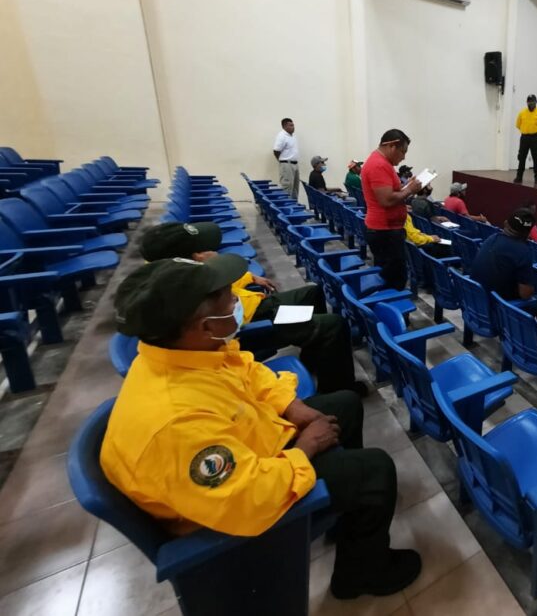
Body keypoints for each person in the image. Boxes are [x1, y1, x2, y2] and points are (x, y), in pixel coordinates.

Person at [102, 255, 421, 600]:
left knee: (344, 403)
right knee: (376, 470)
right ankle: (360, 575)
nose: (239, 300)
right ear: (205, 325)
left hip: (253, 441)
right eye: (230, 296)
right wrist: (306, 448)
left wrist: (292, 407)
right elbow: (246, 498)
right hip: (245, 500)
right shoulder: (174, 423)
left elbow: (248, 372)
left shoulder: (191, 352)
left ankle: (348, 514)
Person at [140, 222, 364, 396]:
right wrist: (209, 267)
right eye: (199, 249)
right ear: (190, 257)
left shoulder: (175, 269)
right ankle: (337, 388)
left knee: (312, 292)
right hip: (254, 325)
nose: (208, 250)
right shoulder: (180, 289)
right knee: (333, 325)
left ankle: (315, 355)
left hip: (255, 306)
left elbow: (228, 283)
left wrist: (248, 277)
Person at [362, 129, 422, 290]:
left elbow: (391, 191)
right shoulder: (379, 165)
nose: (404, 157)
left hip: (387, 230)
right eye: (402, 151)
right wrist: (410, 191)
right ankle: (393, 312)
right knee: (394, 281)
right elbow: (386, 199)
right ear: (392, 146)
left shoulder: (382, 163)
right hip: (385, 232)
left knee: (390, 276)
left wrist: (407, 186)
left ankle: (388, 310)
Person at [469, 207, 537, 301]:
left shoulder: (492, 238)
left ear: (506, 223)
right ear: (528, 234)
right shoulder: (523, 252)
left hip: (474, 299)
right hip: (497, 309)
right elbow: (525, 295)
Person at [514, 94, 537, 185]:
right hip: (524, 138)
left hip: (535, 138)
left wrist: (536, 131)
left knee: (536, 158)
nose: (531, 103)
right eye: (529, 102)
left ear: (536, 102)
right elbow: (518, 125)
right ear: (527, 102)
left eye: (532, 101)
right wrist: (526, 131)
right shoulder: (522, 113)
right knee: (521, 157)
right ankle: (519, 176)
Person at [272, 117, 300, 199]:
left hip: (295, 164)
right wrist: (282, 161)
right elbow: (276, 151)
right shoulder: (282, 136)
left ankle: (294, 208)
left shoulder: (292, 136)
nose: (293, 127)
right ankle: (287, 208)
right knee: (287, 188)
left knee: (295, 188)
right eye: (290, 125)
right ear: (284, 126)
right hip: (286, 164)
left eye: (293, 125)